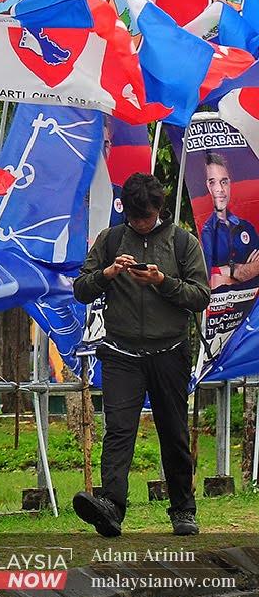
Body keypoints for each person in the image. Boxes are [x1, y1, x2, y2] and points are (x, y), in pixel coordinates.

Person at [73, 172, 210, 537]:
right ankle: (111, 507)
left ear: (159, 210)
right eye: (134, 218)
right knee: (118, 430)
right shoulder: (110, 239)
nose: (140, 224)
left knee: (174, 432)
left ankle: (183, 510)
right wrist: (108, 273)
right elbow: (81, 289)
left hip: (170, 351)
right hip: (121, 352)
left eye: (146, 217)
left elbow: (200, 296)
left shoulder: (183, 242)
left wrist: (163, 282)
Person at [199, 152, 259, 290]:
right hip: (220, 302)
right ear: (208, 186)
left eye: (224, 182)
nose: (220, 189)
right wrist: (241, 271)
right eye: (213, 182)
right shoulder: (205, 232)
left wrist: (224, 273)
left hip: (252, 302)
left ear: (230, 184)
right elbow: (208, 280)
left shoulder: (246, 227)